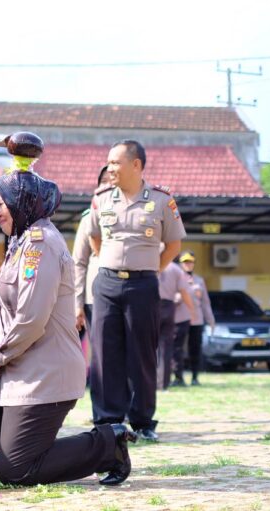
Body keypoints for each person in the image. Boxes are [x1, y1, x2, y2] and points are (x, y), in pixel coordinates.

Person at [0, 170, 137, 486]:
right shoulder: (21, 241)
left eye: (2, 203)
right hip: (19, 366)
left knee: (16, 472)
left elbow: (32, 318)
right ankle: (24, 448)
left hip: (45, 372)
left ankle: (107, 445)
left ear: (23, 202)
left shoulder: (40, 243)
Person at [89, 139, 187, 442]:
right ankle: (107, 421)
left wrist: (150, 269)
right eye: (108, 162)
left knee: (142, 353)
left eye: (116, 162)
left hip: (143, 284)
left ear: (136, 165)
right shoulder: (102, 198)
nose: (110, 168)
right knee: (104, 353)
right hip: (106, 283)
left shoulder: (161, 200)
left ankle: (143, 420)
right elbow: (95, 239)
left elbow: (173, 245)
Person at [73, 164, 110, 424]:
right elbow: (79, 262)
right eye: (105, 182)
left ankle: (128, 408)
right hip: (95, 299)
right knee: (101, 358)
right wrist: (76, 303)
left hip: (128, 295)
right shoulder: (89, 217)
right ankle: (103, 413)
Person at [172, 251, 215, 386]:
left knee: (195, 349)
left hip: (196, 320)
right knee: (177, 349)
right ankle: (178, 377)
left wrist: (211, 320)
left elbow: (205, 303)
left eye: (190, 262)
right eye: (185, 262)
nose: (188, 265)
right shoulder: (176, 279)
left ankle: (195, 377)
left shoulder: (199, 280)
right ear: (180, 264)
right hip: (179, 319)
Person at [157, 256, 194, 390]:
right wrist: (192, 311)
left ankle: (149, 381)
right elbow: (184, 292)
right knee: (166, 347)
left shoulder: (147, 264)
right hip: (167, 306)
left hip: (149, 305)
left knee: (148, 347)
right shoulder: (175, 269)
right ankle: (163, 384)